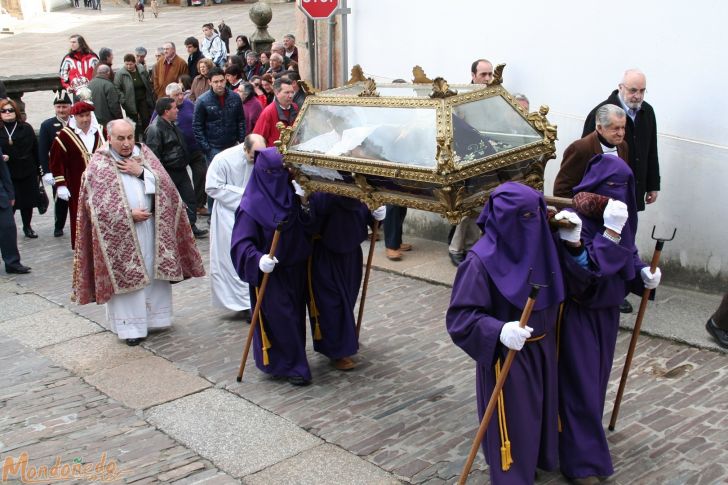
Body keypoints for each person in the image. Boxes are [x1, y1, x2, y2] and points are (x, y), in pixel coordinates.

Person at [446, 181, 565, 485]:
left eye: (537, 215)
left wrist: (576, 243)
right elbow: (461, 317)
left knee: (539, 416)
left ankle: (534, 463)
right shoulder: (479, 262)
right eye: (525, 217)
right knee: (514, 423)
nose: (534, 224)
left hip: (544, 350)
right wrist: (499, 330)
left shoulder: (544, 247)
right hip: (508, 356)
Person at [557, 153, 661, 484]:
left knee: (596, 384)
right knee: (581, 387)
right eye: (612, 187)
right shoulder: (573, 220)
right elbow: (590, 272)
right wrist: (612, 234)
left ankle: (581, 448)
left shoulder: (619, 216)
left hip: (607, 315)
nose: (619, 193)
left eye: (624, 186)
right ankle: (583, 463)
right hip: (578, 313)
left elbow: (626, 256)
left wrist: (641, 273)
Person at [72, 119, 205, 346]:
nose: (126, 144)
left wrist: (142, 172)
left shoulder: (144, 155)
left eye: (129, 137)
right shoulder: (99, 163)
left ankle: (154, 318)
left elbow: (168, 188)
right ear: (110, 137)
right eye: (120, 138)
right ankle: (130, 327)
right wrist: (126, 214)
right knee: (129, 277)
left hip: (151, 228)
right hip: (120, 233)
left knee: (152, 270)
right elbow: (95, 206)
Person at [230, 147, 314, 385]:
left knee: (295, 317)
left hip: (295, 267)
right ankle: (295, 367)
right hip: (271, 273)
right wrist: (257, 259)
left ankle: (284, 361)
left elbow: (306, 227)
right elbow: (240, 243)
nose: (279, 177)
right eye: (273, 172)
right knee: (281, 317)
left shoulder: (291, 194)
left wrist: (304, 203)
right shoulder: (251, 206)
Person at [307, 193, 386, 370]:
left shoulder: (354, 194)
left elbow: (365, 216)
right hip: (324, 254)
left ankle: (344, 338)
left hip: (351, 254)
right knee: (331, 302)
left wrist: (376, 217)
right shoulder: (321, 194)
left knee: (348, 298)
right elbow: (310, 223)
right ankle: (338, 350)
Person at [583, 69, 660, 212]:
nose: (637, 96)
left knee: (629, 231)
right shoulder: (600, 113)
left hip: (634, 188)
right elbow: (585, 155)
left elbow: (651, 150)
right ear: (620, 88)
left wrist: (652, 185)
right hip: (605, 193)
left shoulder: (647, 112)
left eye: (642, 91)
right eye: (633, 90)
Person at [205, 133, 265, 317]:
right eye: (254, 155)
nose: (257, 159)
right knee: (232, 258)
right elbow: (212, 187)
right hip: (228, 214)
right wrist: (246, 196)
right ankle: (242, 304)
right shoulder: (223, 159)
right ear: (245, 149)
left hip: (254, 214)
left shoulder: (262, 158)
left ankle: (253, 300)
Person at [448, 58, 496, 266]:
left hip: (490, 156)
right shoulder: (461, 98)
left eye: (490, 74)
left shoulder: (494, 96)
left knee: (482, 203)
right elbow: (455, 129)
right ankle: (455, 248)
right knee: (467, 204)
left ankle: (472, 247)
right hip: (467, 158)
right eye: (483, 74)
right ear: (474, 75)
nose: (487, 78)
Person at [145, 97, 208, 239]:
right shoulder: (155, 130)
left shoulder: (172, 124)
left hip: (180, 169)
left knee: (189, 198)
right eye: (174, 108)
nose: (177, 110)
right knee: (171, 203)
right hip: (168, 172)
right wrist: (161, 175)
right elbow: (153, 156)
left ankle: (190, 226)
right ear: (166, 111)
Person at [49, 101, 105, 248]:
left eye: (87, 115)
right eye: (81, 116)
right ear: (75, 117)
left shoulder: (100, 132)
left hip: (101, 182)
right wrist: (61, 185)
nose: (85, 119)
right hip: (76, 183)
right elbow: (56, 162)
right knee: (79, 215)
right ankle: (82, 246)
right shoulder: (64, 136)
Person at [553, 104, 629, 199]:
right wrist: (572, 212)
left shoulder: (623, 146)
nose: (621, 133)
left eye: (623, 127)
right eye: (616, 128)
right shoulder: (580, 149)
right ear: (600, 128)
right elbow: (562, 191)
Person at [165, 82, 209, 217]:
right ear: (169, 97)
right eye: (176, 95)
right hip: (177, 153)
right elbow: (155, 126)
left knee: (201, 174)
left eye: (181, 93)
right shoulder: (164, 108)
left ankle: (199, 204)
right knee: (183, 183)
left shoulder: (189, 104)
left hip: (195, 148)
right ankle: (184, 208)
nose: (180, 97)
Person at [0, 99, 41, 239]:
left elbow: (35, 149)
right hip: (8, 171)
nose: (7, 113)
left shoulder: (25, 127)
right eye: (4, 110)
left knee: (27, 202)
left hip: (26, 169)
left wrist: (38, 171)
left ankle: (27, 226)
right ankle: (7, 228)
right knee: (8, 203)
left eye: (10, 110)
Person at [38, 90, 73, 237]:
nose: (61, 110)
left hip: (74, 167)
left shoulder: (76, 121)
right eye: (58, 107)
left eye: (64, 106)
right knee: (60, 199)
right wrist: (46, 171)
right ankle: (59, 225)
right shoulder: (47, 125)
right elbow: (42, 150)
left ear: (70, 106)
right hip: (58, 169)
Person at [193, 67, 245, 163]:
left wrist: (241, 141)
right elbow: (197, 126)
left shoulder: (235, 97)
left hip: (233, 145)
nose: (219, 84)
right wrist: (207, 148)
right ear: (210, 82)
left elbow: (241, 120)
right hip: (213, 147)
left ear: (225, 80)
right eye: (216, 82)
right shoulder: (202, 101)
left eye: (221, 81)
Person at [0, 145, 30, 274]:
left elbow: (3, 169)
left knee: (8, 228)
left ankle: (12, 263)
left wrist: (10, 193)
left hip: (1, 195)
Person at [115, 53, 154, 141]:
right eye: (126, 64)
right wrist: (123, 100)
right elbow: (117, 88)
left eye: (131, 64)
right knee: (133, 122)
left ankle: (147, 137)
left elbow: (148, 80)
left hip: (143, 99)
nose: (129, 66)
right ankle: (134, 140)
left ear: (134, 63)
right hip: (129, 101)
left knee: (146, 119)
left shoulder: (141, 69)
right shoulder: (120, 73)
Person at [253, 77, 298, 147]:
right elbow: (257, 139)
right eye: (287, 92)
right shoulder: (268, 112)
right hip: (275, 155)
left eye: (292, 92)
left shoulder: (295, 107)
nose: (291, 96)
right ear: (276, 93)